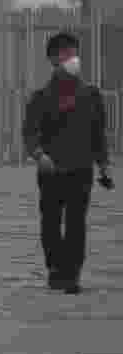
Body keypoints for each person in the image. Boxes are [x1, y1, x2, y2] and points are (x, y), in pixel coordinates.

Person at [22, 32, 114, 295]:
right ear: (52, 59)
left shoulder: (91, 95)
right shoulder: (41, 97)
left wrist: (104, 165)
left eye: (74, 52)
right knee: (50, 222)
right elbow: (30, 132)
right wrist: (40, 155)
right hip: (51, 169)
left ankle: (72, 273)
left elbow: (98, 134)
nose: (72, 58)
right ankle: (54, 268)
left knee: (76, 223)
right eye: (65, 54)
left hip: (81, 169)